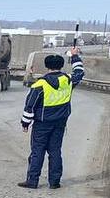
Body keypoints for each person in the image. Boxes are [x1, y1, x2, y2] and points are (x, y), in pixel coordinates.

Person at [19, 47, 84, 189]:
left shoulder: (39, 85)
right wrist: (74, 56)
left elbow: (30, 106)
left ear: (47, 66)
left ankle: (32, 181)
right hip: (60, 123)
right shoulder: (68, 80)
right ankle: (54, 182)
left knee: (37, 152)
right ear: (61, 65)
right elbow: (80, 72)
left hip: (42, 124)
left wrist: (25, 123)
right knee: (55, 151)